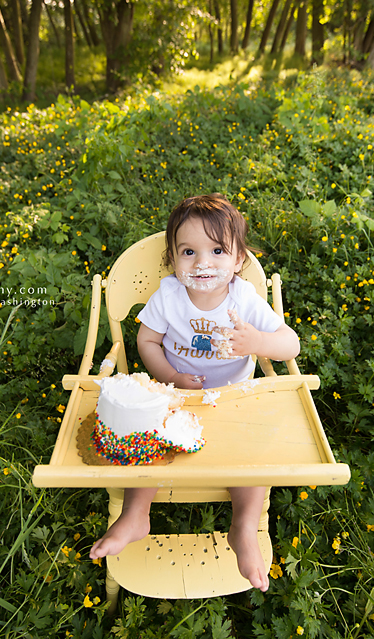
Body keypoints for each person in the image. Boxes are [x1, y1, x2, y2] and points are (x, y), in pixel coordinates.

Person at [89, 194, 300, 592]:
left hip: (233, 399)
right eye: (189, 251)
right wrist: (171, 374)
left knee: (252, 461)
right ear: (172, 259)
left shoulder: (243, 298)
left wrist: (258, 341)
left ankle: (243, 528)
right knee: (146, 443)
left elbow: (290, 345)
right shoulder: (169, 296)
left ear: (238, 260)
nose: (203, 263)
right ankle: (137, 514)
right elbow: (147, 342)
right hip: (173, 397)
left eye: (218, 250)